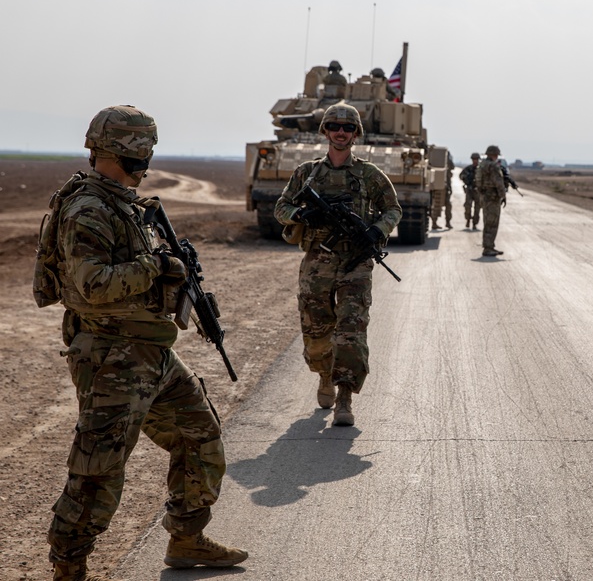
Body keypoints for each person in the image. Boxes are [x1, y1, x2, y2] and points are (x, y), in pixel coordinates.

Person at [43, 106, 247, 581]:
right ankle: (69, 567)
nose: (148, 156)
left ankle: (186, 538)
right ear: (120, 149)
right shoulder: (88, 208)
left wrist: (178, 282)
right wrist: (158, 268)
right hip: (112, 355)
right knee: (99, 467)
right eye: (143, 147)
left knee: (200, 435)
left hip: (152, 351)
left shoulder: (125, 204)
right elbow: (92, 286)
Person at [275, 103, 402, 426]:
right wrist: (302, 215)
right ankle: (324, 375)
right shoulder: (307, 172)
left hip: (355, 263)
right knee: (316, 330)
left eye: (347, 128)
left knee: (351, 329)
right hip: (317, 261)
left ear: (356, 133)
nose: (341, 132)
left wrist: (376, 230)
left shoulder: (370, 175)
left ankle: (344, 396)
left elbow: (393, 210)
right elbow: (281, 206)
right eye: (334, 126)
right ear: (325, 131)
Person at [475, 145, 506, 257]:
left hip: (485, 196)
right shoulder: (493, 166)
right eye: (496, 155)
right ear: (494, 154)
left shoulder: (482, 164)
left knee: (488, 222)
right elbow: (498, 182)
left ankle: (489, 246)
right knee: (492, 223)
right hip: (492, 197)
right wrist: (503, 195)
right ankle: (488, 248)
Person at [460, 152, 481, 230]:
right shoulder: (468, 168)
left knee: (477, 208)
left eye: (476, 159)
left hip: (478, 191)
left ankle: (475, 223)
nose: (475, 161)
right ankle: (468, 219)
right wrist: (466, 178)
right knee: (468, 206)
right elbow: (461, 175)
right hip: (469, 190)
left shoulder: (481, 169)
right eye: (474, 159)